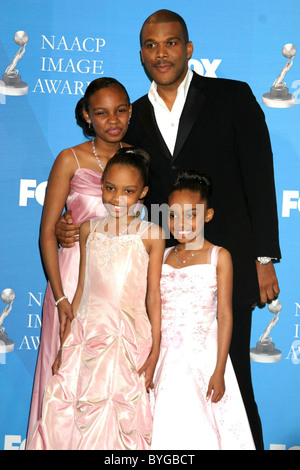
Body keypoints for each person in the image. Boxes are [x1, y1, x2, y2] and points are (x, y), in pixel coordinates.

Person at [55, 10, 281, 449]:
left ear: (189, 48)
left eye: (171, 43)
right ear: (141, 54)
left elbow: (260, 176)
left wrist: (264, 257)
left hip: (224, 264)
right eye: (151, 46)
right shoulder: (132, 116)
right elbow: (117, 183)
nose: (161, 53)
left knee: (231, 378)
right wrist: (72, 220)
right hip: (156, 271)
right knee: (156, 384)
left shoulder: (232, 97)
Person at [26, 148, 164, 450]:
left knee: (118, 411)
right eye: (110, 188)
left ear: (143, 192)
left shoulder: (152, 234)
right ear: (101, 185)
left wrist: (155, 349)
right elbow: (83, 289)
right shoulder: (88, 229)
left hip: (127, 336)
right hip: (86, 333)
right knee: (72, 406)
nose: (117, 198)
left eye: (128, 191)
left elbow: (154, 295)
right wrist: (66, 341)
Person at [26, 77, 132, 441]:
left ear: (130, 111)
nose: (112, 120)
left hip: (119, 290)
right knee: (64, 380)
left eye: (120, 110)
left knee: (108, 382)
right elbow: (46, 233)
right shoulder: (69, 159)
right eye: (101, 113)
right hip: (70, 283)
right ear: (87, 116)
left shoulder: (139, 159)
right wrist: (59, 297)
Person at [150, 170, 255, 450]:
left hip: (204, 359)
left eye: (191, 215)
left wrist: (219, 369)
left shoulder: (219, 256)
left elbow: (225, 314)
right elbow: (154, 306)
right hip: (165, 357)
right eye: (173, 215)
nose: (181, 223)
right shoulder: (162, 255)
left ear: (207, 215)